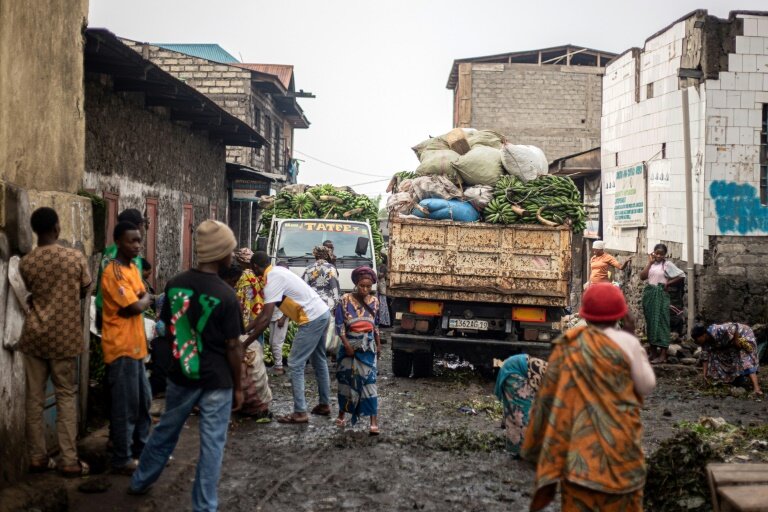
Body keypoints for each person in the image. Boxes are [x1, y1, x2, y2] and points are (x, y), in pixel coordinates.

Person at [129, 220, 244, 511]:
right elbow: (233, 346)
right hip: (217, 380)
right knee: (212, 445)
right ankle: (204, 506)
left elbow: (167, 329)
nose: (232, 256)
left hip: (182, 373)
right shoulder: (227, 295)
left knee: (166, 429)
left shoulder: (176, 283)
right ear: (221, 254)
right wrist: (239, 386)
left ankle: (141, 481)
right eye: (229, 250)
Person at [522, 283, 656, 512]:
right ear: (621, 315)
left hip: (579, 458)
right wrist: (633, 339)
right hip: (622, 453)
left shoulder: (570, 343)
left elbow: (547, 397)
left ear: (585, 314)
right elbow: (646, 386)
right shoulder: (628, 343)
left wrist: (536, 446)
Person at [19, 207, 92, 477]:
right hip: (64, 337)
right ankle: (69, 460)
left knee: (34, 398)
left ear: (35, 230)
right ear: (57, 228)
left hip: (35, 336)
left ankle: (37, 457)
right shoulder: (74, 257)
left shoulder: (27, 262)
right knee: (65, 396)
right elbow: (86, 289)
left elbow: (31, 292)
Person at [244, 251, 331, 424]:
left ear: (255, 267)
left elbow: (267, 318)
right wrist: (245, 329)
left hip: (311, 318)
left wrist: (244, 343)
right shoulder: (277, 272)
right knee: (319, 359)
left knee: (295, 362)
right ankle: (324, 404)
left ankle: (300, 412)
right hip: (322, 313)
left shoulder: (272, 280)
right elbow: (263, 315)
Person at [101, 221, 153, 474]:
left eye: (139, 240)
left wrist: (142, 299)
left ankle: (141, 453)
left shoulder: (133, 267)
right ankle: (122, 458)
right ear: (119, 242)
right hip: (121, 348)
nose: (137, 245)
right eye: (132, 240)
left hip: (137, 348)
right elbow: (136, 305)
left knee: (144, 404)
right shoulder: (114, 272)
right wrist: (143, 299)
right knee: (126, 407)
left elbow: (144, 297)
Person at [222, 258, 273, 420]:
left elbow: (263, 317)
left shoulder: (263, 277)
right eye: (234, 281)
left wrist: (245, 340)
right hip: (249, 316)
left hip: (248, 318)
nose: (235, 284)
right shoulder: (229, 291)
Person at [334, 266, 382, 434]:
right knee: (346, 381)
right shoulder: (344, 300)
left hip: (368, 346)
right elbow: (339, 326)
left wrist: (379, 344)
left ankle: (373, 421)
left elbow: (375, 325)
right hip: (349, 344)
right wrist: (347, 345)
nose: (365, 289)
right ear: (356, 283)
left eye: (368, 286)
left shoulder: (375, 301)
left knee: (370, 383)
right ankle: (342, 414)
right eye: (362, 285)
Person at [94, 209, 145, 328]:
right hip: (123, 318)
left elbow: (100, 282)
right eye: (142, 225)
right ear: (137, 227)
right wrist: (147, 298)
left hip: (104, 309)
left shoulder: (108, 251)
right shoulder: (130, 257)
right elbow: (135, 296)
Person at [494, 354, 548, 457]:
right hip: (515, 369)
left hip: (517, 364)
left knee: (521, 407)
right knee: (521, 413)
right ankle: (522, 451)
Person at [640, 243, 685, 364]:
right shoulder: (651, 264)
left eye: (661, 254)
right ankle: (653, 353)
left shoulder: (667, 265)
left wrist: (668, 283)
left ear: (665, 255)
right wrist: (649, 263)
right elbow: (642, 277)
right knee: (651, 323)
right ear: (653, 253)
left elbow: (682, 275)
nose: (658, 256)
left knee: (662, 323)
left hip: (661, 295)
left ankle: (663, 355)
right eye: (656, 253)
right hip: (649, 294)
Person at [692, 323, 762, 395]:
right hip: (729, 342)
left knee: (744, 358)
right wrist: (704, 375)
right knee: (719, 358)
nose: (696, 341)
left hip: (742, 334)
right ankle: (738, 379)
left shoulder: (717, 330)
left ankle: (757, 388)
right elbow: (705, 358)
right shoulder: (705, 343)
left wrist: (736, 340)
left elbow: (735, 327)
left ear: (703, 335)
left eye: (696, 339)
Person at [303, 245, 341, 354]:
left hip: (313, 305)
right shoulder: (331, 268)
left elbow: (304, 288)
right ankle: (323, 350)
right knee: (327, 330)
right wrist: (337, 304)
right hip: (328, 305)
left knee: (314, 330)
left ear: (314, 255)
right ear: (327, 255)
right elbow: (335, 288)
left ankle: (314, 350)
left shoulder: (309, 268)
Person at [376, 254, 391, 328]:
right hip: (379, 287)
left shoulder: (383, 267)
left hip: (381, 287)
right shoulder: (381, 266)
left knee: (382, 304)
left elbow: (380, 275)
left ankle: (383, 321)